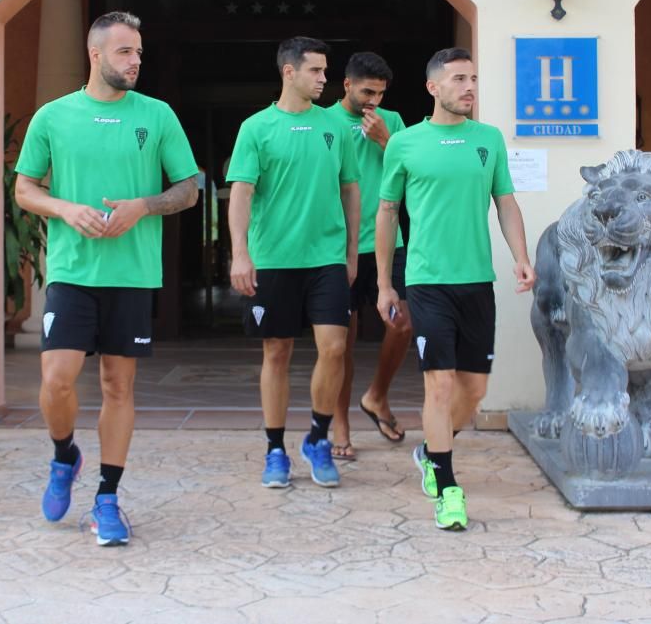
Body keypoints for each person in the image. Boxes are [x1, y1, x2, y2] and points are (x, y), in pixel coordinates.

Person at [14, 11, 198, 546]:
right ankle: (64, 454)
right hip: (73, 270)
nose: (135, 61)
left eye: (138, 52)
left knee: (119, 385)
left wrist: (143, 205)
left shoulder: (157, 115)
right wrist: (66, 209)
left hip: (132, 273)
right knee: (57, 380)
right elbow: (24, 189)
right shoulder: (53, 116)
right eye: (124, 52)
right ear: (95, 55)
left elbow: (188, 188)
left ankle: (108, 498)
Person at [376, 47, 535, 531]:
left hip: (476, 281)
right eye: (459, 79)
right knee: (439, 383)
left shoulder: (488, 140)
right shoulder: (405, 143)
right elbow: (386, 212)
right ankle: (447, 487)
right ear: (433, 88)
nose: (469, 87)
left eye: (473, 79)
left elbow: (505, 202)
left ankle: (430, 449)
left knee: (474, 390)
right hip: (426, 281)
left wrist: (521, 257)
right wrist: (386, 283)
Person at [227, 37, 360, 489]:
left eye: (325, 71)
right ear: (289, 72)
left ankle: (318, 438)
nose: (325, 78)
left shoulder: (336, 127)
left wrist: (350, 255)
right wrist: (240, 254)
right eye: (316, 71)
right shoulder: (256, 128)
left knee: (335, 348)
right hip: (274, 260)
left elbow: (350, 191)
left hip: (326, 259)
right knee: (277, 352)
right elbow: (241, 195)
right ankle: (275, 449)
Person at [326, 52, 412, 459]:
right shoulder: (323, 121)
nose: (373, 100)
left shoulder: (391, 122)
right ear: (346, 85)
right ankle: (340, 422)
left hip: (386, 243)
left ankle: (376, 396)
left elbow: (416, 167)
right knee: (342, 341)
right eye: (366, 91)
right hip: (337, 247)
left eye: (380, 93)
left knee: (402, 324)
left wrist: (384, 139)